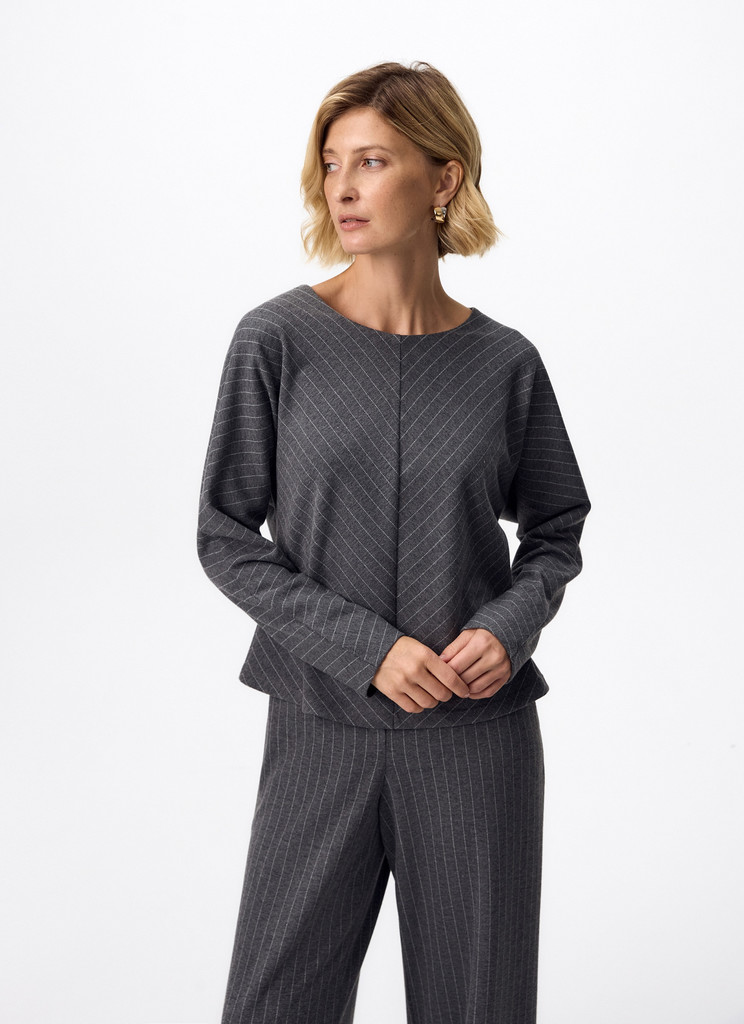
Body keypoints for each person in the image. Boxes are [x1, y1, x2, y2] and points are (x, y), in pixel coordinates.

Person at [197, 60, 591, 1024]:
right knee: (273, 1004)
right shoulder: (276, 340)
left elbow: (557, 528)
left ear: (444, 178)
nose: (343, 186)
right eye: (333, 163)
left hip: (475, 739)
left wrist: (509, 628)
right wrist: (367, 651)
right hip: (319, 726)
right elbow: (224, 536)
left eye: (373, 161)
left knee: (479, 1006)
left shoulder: (505, 364)